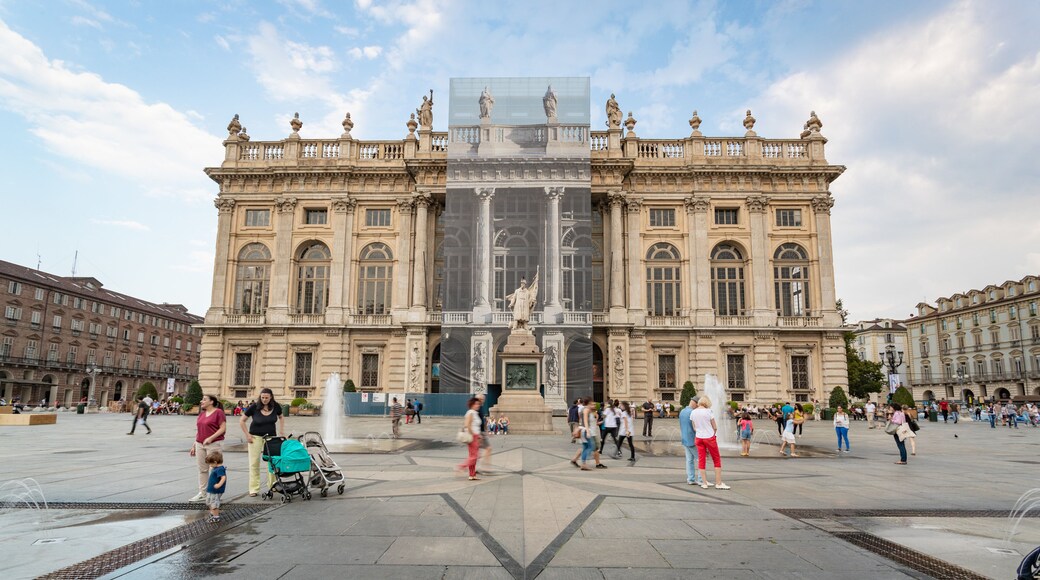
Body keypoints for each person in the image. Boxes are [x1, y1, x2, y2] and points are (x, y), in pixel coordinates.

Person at [240, 388, 285, 497]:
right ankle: (254, 489)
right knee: (254, 462)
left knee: (272, 462)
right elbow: (242, 421)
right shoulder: (254, 407)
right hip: (255, 437)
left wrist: (282, 431)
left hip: (271, 438)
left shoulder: (276, 406)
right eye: (262, 397)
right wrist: (247, 435)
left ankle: (272, 485)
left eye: (266, 398)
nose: (264, 400)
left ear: (271, 397)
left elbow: (281, 417)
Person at [189, 394, 227, 502]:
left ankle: (216, 491)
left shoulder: (218, 413)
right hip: (200, 443)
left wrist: (211, 438)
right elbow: (199, 431)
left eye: (204, 399)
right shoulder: (201, 414)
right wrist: (194, 445)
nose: (201, 401)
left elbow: (223, 428)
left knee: (214, 469)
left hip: (214, 443)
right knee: (202, 469)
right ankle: (203, 493)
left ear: (211, 402)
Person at [692, 397, 729, 489]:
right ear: (707, 403)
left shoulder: (693, 412)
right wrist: (713, 433)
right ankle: (718, 483)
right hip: (709, 437)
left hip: (699, 438)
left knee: (702, 459)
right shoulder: (709, 411)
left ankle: (704, 483)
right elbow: (715, 426)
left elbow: (694, 427)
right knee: (716, 459)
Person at [458, 397, 482, 481]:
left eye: (478, 404)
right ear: (472, 405)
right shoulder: (471, 413)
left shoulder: (474, 413)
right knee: (475, 456)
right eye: (476, 404)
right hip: (473, 436)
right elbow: (467, 425)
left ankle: (472, 475)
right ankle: (462, 466)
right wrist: (474, 435)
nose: (478, 405)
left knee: (472, 456)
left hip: (475, 435)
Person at [679, 399, 702, 484]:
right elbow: (696, 427)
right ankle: (700, 479)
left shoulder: (682, 411)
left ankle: (690, 479)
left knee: (689, 460)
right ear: (695, 403)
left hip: (685, 438)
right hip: (693, 439)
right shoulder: (693, 412)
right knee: (700, 459)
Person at [205, 451, 227, 523]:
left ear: (215, 462)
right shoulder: (216, 468)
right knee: (209, 502)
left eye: (211, 464)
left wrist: (219, 485)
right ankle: (213, 513)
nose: (210, 465)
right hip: (211, 490)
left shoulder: (220, 469)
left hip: (215, 491)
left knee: (214, 503)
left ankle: (216, 517)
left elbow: (223, 477)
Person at [475, 394, 493, 474]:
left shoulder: (480, 407)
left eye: (483, 399)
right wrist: (479, 434)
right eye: (480, 399)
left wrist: (486, 430)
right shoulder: (476, 408)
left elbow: (483, 420)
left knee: (477, 451)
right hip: (478, 433)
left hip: (481, 432)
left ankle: (478, 467)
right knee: (488, 449)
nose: (482, 400)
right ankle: (484, 467)